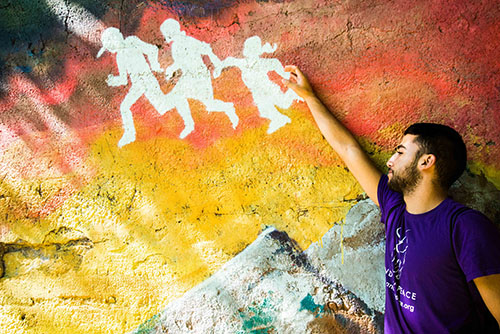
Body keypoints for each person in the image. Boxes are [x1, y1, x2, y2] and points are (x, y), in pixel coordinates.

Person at [283, 65, 500, 333]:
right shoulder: (395, 207)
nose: (390, 160)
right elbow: (348, 150)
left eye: (400, 152)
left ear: (426, 161)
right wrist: (310, 97)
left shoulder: (465, 227)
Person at [159, 19, 238, 139]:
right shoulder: (176, 45)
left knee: (209, 105)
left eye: (165, 34)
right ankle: (189, 124)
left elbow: (207, 50)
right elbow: (180, 62)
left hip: (199, 77)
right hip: (188, 77)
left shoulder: (188, 41)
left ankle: (229, 108)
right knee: (178, 96)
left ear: (170, 32)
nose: (165, 37)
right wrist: (171, 70)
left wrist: (218, 65)